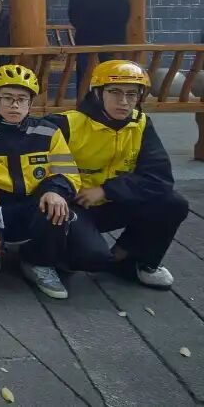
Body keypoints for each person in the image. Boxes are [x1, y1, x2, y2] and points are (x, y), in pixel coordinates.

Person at [46, 60, 189, 290]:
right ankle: (41, 257)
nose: (124, 101)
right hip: (73, 206)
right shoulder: (67, 123)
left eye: (132, 94)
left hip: (113, 201)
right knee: (92, 257)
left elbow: (160, 178)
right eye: (115, 92)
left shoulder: (141, 124)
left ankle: (134, 261)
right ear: (97, 93)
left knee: (173, 203)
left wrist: (106, 190)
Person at [0, 65, 81, 300]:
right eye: (7, 98)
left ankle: (38, 262)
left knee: (57, 204)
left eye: (22, 99)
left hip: (34, 203)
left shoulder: (49, 132)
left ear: (31, 101)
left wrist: (55, 190)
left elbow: (68, 173)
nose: (14, 105)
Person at [68, 0, 131, 91]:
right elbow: (124, 16)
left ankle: (85, 100)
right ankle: (112, 99)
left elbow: (74, 19)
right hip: (114, 41)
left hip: (86, 41)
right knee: (113, 76)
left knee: (85, 75)